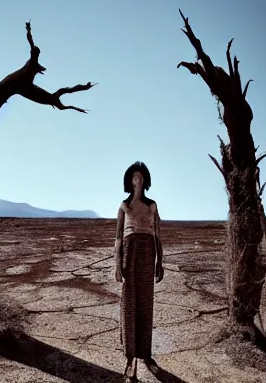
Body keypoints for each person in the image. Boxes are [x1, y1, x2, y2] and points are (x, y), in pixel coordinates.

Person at [114, 161, 164, 381]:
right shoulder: (124, 206)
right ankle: (130, 355)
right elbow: (117, 239)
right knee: (129, 301)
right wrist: (117, 265)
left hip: (147, 253)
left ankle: (144, 352)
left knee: (145, 301)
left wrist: (160, 262)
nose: (138, 180)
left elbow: (157, 235)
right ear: (129, 181)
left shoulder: (152, 205)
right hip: (129, 253)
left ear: (145, 180)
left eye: (141, 177)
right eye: (134, 177)